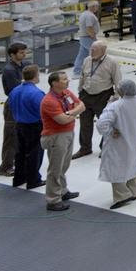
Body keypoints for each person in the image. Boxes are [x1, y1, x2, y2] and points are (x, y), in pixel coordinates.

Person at [95, 79, 136, 209]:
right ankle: (133, 191)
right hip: (135, 139)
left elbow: (101, 124)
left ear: (121, 91)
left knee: (116, 167)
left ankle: (122, 195)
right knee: (133, 163)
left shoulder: (115, 106)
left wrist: (110, 132)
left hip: (118, 143)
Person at [40, 70, 84, 212]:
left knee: (64, 165)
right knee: (55, 169)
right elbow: (62, 120)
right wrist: (73, 113)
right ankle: (53, 200)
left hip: (68, 133)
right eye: (64, 79)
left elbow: (81, 106)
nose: (68, 80)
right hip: (55, 137)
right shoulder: (49, 101)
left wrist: (70, 113)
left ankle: (63, 191)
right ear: (54, 83)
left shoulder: (67, 93)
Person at [74, 41, 121, 159]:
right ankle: (85, 148)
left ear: (103, 51)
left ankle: (105, 147)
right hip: (86, 95)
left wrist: (115, 98)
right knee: (84, 123)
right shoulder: (87, 60)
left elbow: (118, 81)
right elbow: (82, 76)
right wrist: (80, 90)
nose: (92, 51)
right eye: (91, 49)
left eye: (95, 49)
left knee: (105, 123)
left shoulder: (112, 62)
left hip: (103, 96)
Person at [8, 64, 46, 190]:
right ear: (35, 76)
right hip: (34, 126)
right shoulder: (36, 93)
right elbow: (43, 112)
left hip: (19, 125)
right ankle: (33, 180)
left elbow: (11, 106)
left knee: (20, 153)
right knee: (34, 153)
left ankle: (19, 178)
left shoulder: (15, 91)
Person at [0, 41, 28, 178]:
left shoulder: (24, 66)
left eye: (24, 52)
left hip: (22, 104)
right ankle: (5, 167)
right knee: (10, 137)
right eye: (21, 52)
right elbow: (12, 91)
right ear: (12, 55)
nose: (24, 54)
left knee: (20, 136)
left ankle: (16, 162)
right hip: (13, 106)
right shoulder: (9, 70)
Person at [73, 0, 100, 75]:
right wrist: (93, 37)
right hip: (88, 37)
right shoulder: (89, 15)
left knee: (82, 55)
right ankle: (98, 70)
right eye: (97, 6)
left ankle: (77, 71)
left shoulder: (85, 14)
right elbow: (89, 27)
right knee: (97, 53)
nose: (97, 8)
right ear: (93, 7)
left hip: (84, 37)